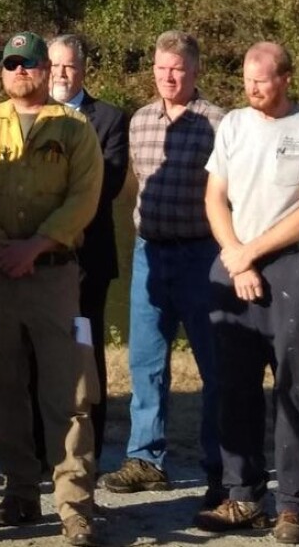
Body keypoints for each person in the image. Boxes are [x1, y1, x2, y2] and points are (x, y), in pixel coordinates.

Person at [0, 31, 103, 547]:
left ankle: (75, 507)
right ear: (3, 71)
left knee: (69, 394)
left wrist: (34, 247)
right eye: (12, 63)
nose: (21, 71)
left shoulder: (75, 128)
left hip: (54, 276)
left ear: (47, 70)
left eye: (30, 63)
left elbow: (85, 198)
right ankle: (20, 491)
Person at [195, 42, 299, 543]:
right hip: (232, 261)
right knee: (234, 386)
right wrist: (235, 254)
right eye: (248, 79)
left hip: (289, 267)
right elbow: (214, 197)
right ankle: (242, 495)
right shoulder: (231, 125)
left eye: (263, 79)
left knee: (291, 388)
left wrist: (250, 255)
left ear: (286, 78)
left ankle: (292, 504)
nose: (252, 87)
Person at [102, 30, 224, 502]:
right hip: (149, 252)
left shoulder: (218, 122)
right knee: (146, 362)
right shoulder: (140, 121)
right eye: (160, 68)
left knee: (214, 366)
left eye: (176, 68)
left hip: (201, 255)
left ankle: (219, 464)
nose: (168, 77)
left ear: (194, 71)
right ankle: (146, 459)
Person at [48, 33, 128, 460]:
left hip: (87, 260)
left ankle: (89, 445)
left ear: (83, 69)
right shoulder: (29, 114)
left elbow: (107, 186)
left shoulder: (110, 119)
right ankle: (44, 447)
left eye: (69, 66)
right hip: (37, 261)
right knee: (38, 351)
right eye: (55, 65)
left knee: (85, 352)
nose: (62, 73)